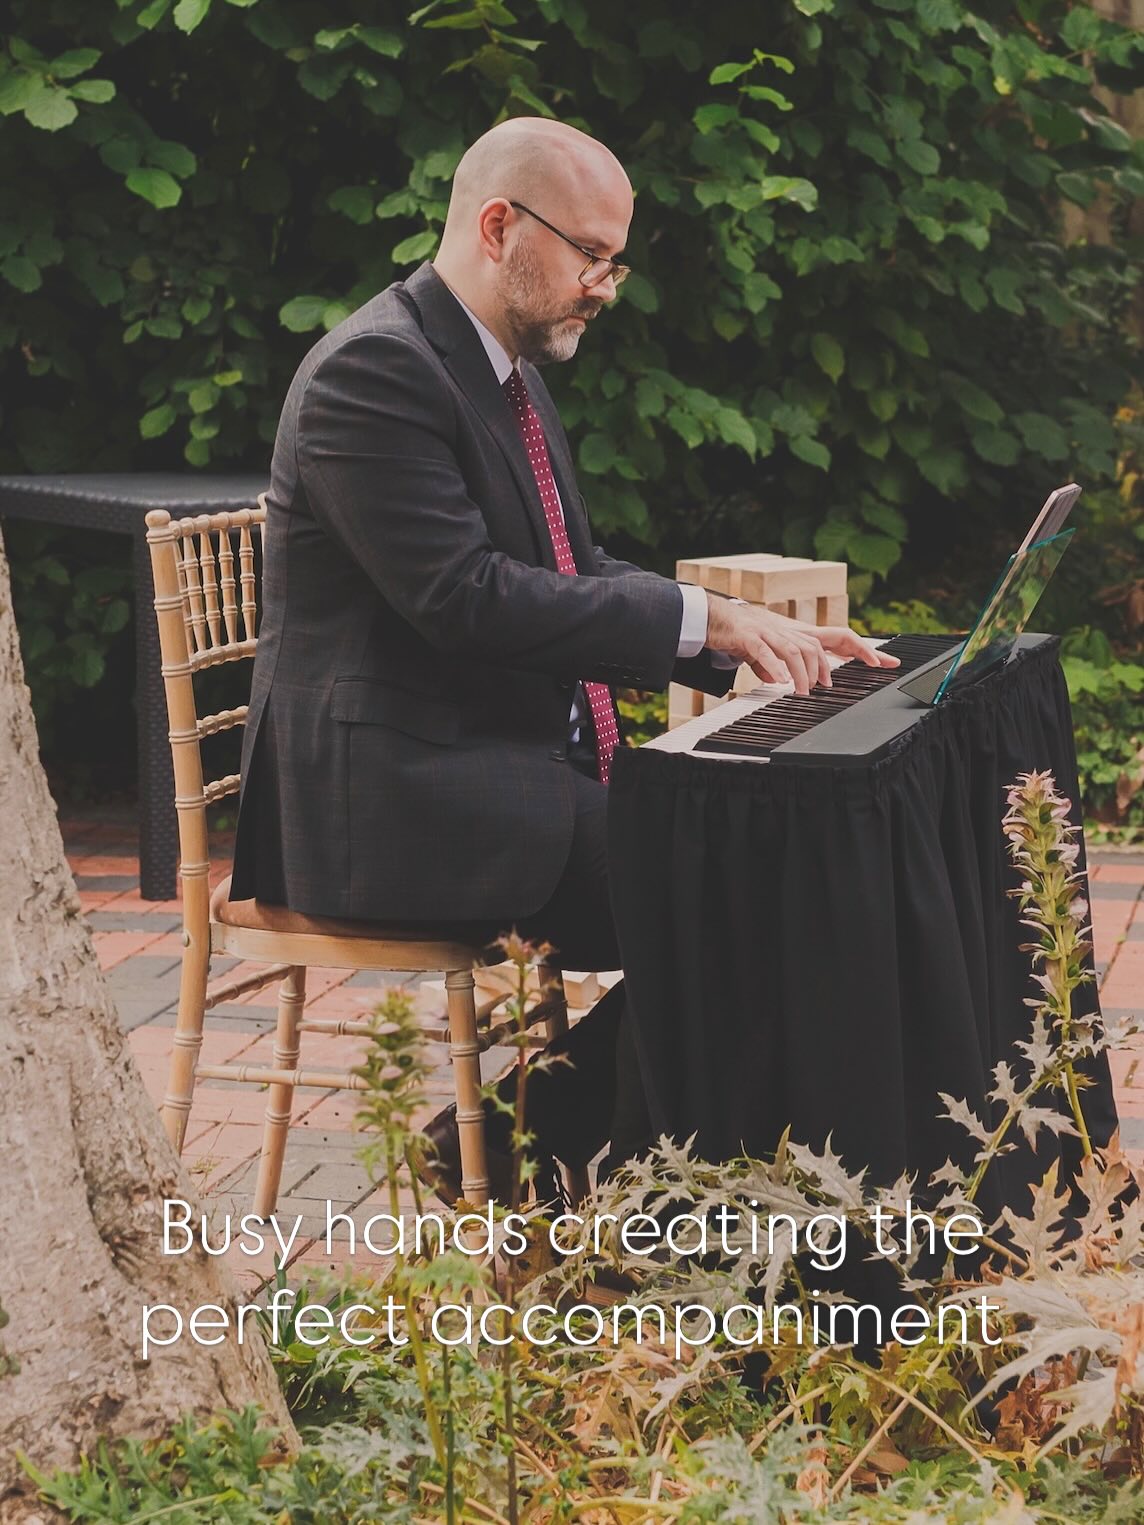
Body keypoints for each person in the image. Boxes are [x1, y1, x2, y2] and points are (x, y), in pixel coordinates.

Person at [230, 117, 897, 1204]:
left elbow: (570, 564)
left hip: (498, 768)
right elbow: (464, 598)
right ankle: (562, 1178)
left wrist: (742, 628)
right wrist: (704, 625)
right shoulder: (373, 374)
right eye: (591, 254)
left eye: (614, 259)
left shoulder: (502, 371)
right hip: (396, 804)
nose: (605, 285)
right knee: (742, 888)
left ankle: (536, 1151)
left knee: (769, 880)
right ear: (500, 227)